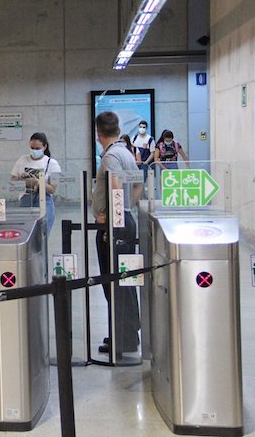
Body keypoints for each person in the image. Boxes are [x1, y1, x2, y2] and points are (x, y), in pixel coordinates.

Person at [91, 112, 142, 357]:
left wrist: (112, 216)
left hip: (115, 227)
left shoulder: (110, 156)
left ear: (98, 134)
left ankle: (121, 340)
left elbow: (115, 188)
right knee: (126, 280)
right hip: (127, 221)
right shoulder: (126, 153)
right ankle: (127, 335)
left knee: (114, 282)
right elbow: (139, 185)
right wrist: (127, 210)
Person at [10, 132, 61, 234]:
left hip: (43, 199)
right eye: (32, 148)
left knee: (42, 234)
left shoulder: (52, 163)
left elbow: (53, 189)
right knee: (24, 233)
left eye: (37, 148)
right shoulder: (22, 160)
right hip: (26, 198)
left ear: (44, 146)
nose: (34, 151)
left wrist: (38, 183)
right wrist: (24, 181)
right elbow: (12, 180)